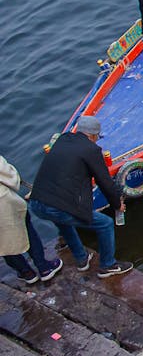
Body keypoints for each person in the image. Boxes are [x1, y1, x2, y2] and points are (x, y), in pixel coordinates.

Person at [27, 116, 133, 279]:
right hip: (58, 206)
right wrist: (117, 204)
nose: (97, 140)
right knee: (105, 224)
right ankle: (107, 265)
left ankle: (82, 259)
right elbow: (104, 181)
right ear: (92, 136)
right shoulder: (91, 150)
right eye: (97, 137)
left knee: (64, 222)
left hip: (36, 203)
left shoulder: (63, 140)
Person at [1, 155, 64, 284]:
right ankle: (44, 267)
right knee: (26, 230)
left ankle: (26, 272)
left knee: (3, 243)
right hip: (4, 204)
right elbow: (10, 177)